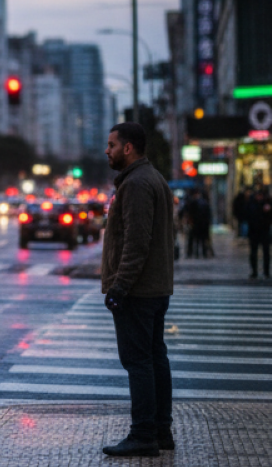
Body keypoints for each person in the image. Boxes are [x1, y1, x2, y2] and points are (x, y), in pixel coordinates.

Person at [101, 122, 174, 458]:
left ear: (128, 148)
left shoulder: (137, 184)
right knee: (154, 358)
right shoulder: (152, 178)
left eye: (112, 145)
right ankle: (160, 431)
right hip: (154, 288)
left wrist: (119, 287)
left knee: (139, 362)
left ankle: (144, 433)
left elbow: (136, 243)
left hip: (139, 291)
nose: (107, 150)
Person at [247, 188, 271, 279]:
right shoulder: (252, 204)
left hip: (264, 231)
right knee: (253, 253)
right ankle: (254, 271)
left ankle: (266, 271)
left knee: (266, 253)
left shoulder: (267, 203)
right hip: (254, 232)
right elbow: (247, 214)